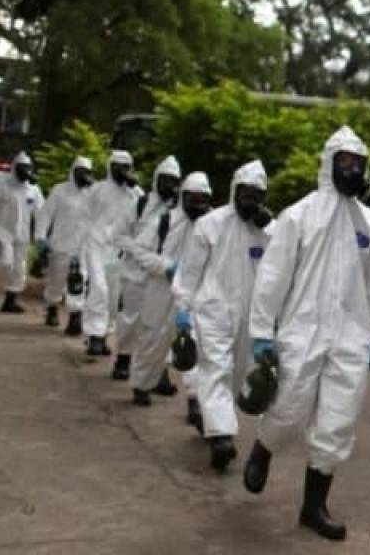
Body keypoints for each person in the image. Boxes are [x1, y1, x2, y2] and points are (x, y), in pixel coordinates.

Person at [241, 126, 370, 542]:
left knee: (338, 422)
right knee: (289, 407)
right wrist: (262, 330)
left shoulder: (369, 223)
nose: (352, 169)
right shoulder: (299, 215)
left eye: (359, 163)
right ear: (329, 163)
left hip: (351, 334)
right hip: (302, 330)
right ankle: (264, 448)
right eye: (345, 162)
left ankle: (313, 506)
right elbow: (272, 275)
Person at [172, 160, 272, 471]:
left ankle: (213, 420)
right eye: (245, 193)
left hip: (248, 316)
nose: (249, 200)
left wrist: (272, 229)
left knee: (236, 374)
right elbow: (190, 271)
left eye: (256, 195)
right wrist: (183, 309)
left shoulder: (267, 230)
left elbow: (282, 269)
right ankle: (222, 438)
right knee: (216, 368)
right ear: (234, 191)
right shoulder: (210, 224)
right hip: (212, 311)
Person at [128, 172, 212, 408]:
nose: (198, 205)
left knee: (198, 345)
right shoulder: (165, 221)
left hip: (197, 292)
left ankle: (196, 400)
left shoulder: (213, 225)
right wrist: (165, 266)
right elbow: (138, 250)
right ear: (183, 197)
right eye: (193, 199)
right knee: (153, 339)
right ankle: (142, 384)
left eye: (203, 199)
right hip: (162, 289)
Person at [112, 156, 182, 382]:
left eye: (174, 181)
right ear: (156, 180)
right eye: (165, 179)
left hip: (163, 276)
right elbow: (118, 235)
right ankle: (123, 358)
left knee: (160, 325)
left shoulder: (180, 209)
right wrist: (138, 250)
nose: (169, 185)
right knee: (131, 319)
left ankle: (158, 371)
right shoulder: (140, 203)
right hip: (135, 274)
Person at [81, 150, 140, 356]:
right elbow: (84, 218)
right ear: (110, 167)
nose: (122, 171)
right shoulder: (97, 189)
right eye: (118, 167)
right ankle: (95, 335)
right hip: (96, 245)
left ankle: (104, 333)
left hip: (119, 251)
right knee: (99, 288)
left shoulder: (135, 194)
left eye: (126, 167)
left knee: (114, 295)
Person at [35, 157, 93, 332]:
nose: (84, 175)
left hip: (82, 247)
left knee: (78, 281)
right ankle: (52, 308)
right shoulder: (59, 191)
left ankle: (75, 317)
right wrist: (41, 237)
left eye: (87, 172)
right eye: (80, 172)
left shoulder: (93, 194)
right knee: (57, 282)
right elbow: (45, 215)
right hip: (60, 245)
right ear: (73, 172)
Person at [0, 152, 44, 314]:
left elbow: (41, 213)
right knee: (5, 263)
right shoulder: (2, 184)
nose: (26, 171)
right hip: (3, 232)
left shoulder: (33, 190)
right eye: (22, 168)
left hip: (23, 235)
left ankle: (10, 301)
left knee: (20, 268)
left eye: (28, 168)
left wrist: (42, 236)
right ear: (14, 168)